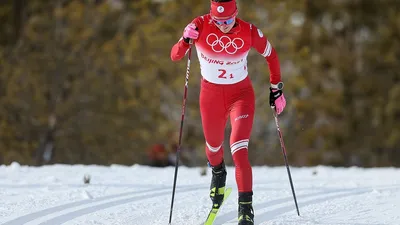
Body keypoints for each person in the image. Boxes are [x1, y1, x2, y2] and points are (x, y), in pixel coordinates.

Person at [170, 0, 286, 224]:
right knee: (213, 148)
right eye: (218, 21)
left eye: (229, 20)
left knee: (239, 149)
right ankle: (218, 172)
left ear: (236, 14)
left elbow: (271, 56)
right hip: (210, 97)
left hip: (240, 96)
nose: (223, 26)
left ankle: (245, 209)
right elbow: (175, 55)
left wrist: (276, 88)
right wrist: (185, 39)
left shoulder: (249, 31)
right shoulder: (200, 25)